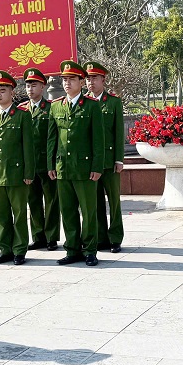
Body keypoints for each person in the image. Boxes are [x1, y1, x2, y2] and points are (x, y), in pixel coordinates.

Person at [48, 60, 104, 266]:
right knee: (68, 211)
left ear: (81, 81)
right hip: (63, 168)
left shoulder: (91, 106)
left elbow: (98, 139)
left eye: (72, 79)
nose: (67, 83)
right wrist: (50, 164)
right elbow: (51, 138)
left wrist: (97, 166)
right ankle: (72, 249)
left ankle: (90, 250)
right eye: (65, 79)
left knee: (89, 212)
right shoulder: (56, 106)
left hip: (85, 168)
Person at [0, 70, 35, 265]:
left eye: (2, 90)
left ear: (12, 93)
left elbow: (27, 147)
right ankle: (4, 249)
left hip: (17, 174)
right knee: (2, 215)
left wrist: (29, 172)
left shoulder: (22, 115)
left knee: (19, 214)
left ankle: (20, 249)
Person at [85, 61, 125, 254]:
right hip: (92, 162)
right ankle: (101, 238)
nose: (90, 82)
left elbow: (118, 132)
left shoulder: (113, 101)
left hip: (109, 161)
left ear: (103, 80)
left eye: (94, 78)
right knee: (96, 202)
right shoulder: (84, 102)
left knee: (114, 201)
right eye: (88, 78)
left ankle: (115, 237)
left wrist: (119, 159)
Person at [21, 67, 59, 251]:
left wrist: (53, 162)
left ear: (42, 87)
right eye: (27, 85)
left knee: (51, 201)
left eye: (34, 85)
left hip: (46, 163)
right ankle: (38, 237)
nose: (30, 89)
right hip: (29, 165)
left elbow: (54, 137)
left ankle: (51, 237)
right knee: (33, 201)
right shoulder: (21, 110)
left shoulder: (50, 108)